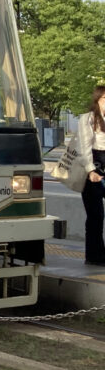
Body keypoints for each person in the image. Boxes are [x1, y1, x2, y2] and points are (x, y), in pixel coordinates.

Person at [78, 86, 105, 265]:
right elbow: (84, 147)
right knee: (96, 214)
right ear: (97, 100)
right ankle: (94, 255)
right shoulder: (87, 119)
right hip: (93, 167)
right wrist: (90, 171)